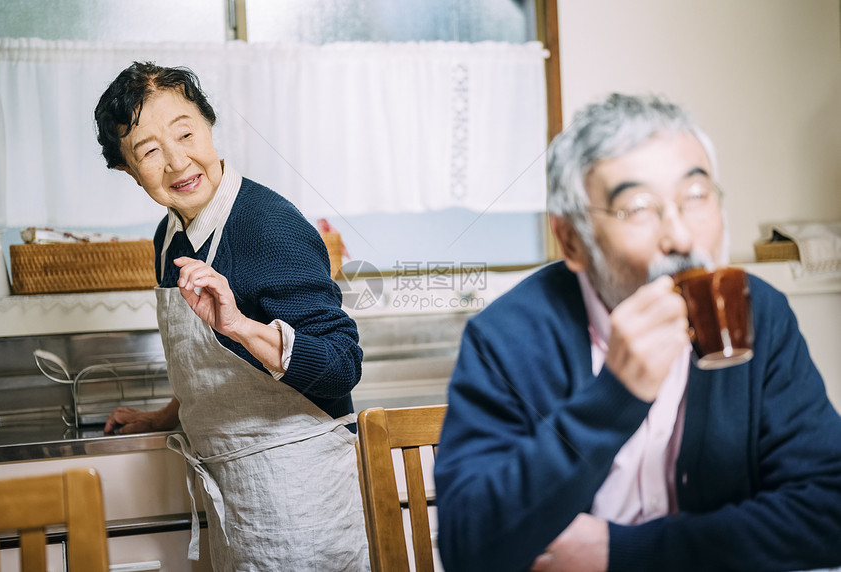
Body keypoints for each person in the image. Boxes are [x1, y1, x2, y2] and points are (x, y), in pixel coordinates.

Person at [433, 93, 841, 572]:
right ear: (571, 240)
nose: (681, 238)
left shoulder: (762, 313)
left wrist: (624, 552)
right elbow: (469, 548)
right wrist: (615, 395)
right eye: (638, 208)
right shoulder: (507, 336)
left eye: (695, 197)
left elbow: (828, 509)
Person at [94, 62, 369, 571]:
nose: (178, 161)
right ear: (127, 171)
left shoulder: (269, 226)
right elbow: (209, 365)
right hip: (228, 494)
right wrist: (164, 416)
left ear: (209, 124)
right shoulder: (169, 235)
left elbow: (340, 366)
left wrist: (240, 325)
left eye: (186, 132)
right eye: (150, 151)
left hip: (297, 502)